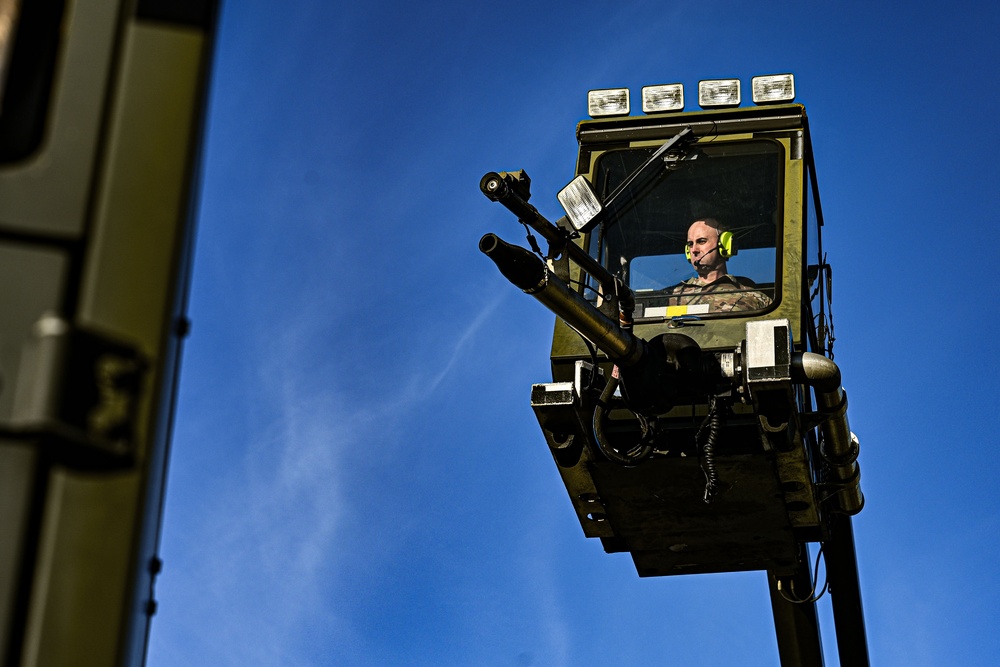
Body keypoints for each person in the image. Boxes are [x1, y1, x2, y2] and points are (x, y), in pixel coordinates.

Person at [667, 218, 772, 313]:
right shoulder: (670, 297)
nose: (694, 250)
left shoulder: (755, 299)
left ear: (724, 244)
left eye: (702, 241)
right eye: (690, 244)